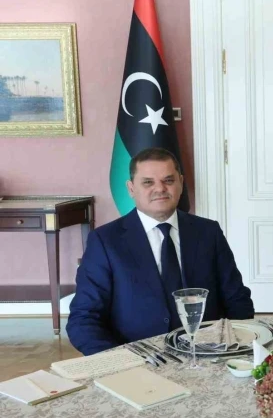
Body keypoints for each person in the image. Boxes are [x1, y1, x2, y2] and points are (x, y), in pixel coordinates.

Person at [68, 148, 254, 355]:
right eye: (148, 182)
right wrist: (118, 362)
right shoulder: (105, 241)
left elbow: (237, 299)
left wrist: (236, 349)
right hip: (137, 359)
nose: (160, 188)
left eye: (169, 180)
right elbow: (84, 318)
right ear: (131, 188)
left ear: (180, 183)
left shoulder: (208, 232)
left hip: (208, 353)